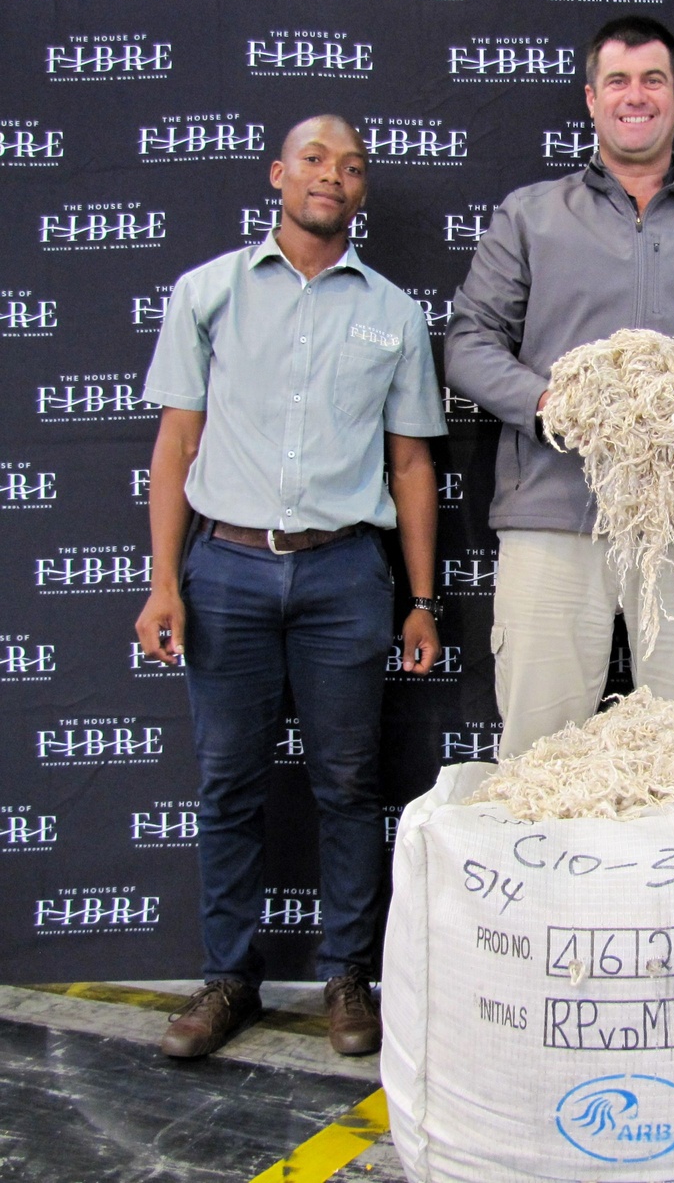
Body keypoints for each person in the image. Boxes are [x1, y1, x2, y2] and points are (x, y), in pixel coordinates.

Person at [134, 115, 447, 1060]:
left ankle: (347, 979)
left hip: (347, 573)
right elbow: (176, 445)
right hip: (223, 567)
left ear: (362, 193)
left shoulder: (393, 312)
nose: (333, 177)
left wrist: (422, 597)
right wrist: (162, 584)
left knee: (349, 786)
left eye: (352, 168)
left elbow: (410, 465)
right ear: (279, 174)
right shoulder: (209, 293)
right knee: (228, 783)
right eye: (314, 159)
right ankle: (228, 978)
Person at [446, 15, 674, 759]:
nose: (635, 95)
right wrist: (551, 407)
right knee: (538, 759)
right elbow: (468, 342)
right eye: (617, 80)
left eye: (653, 79)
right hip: (556, 515)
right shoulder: (529, 216)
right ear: (590, 98)